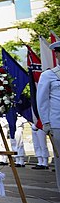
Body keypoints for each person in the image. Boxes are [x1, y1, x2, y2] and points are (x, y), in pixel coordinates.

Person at [37, 41, 60, 190]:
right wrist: (46, 122)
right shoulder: (49, 75)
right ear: (57, 55)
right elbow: (42, 100)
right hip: (57, 123)